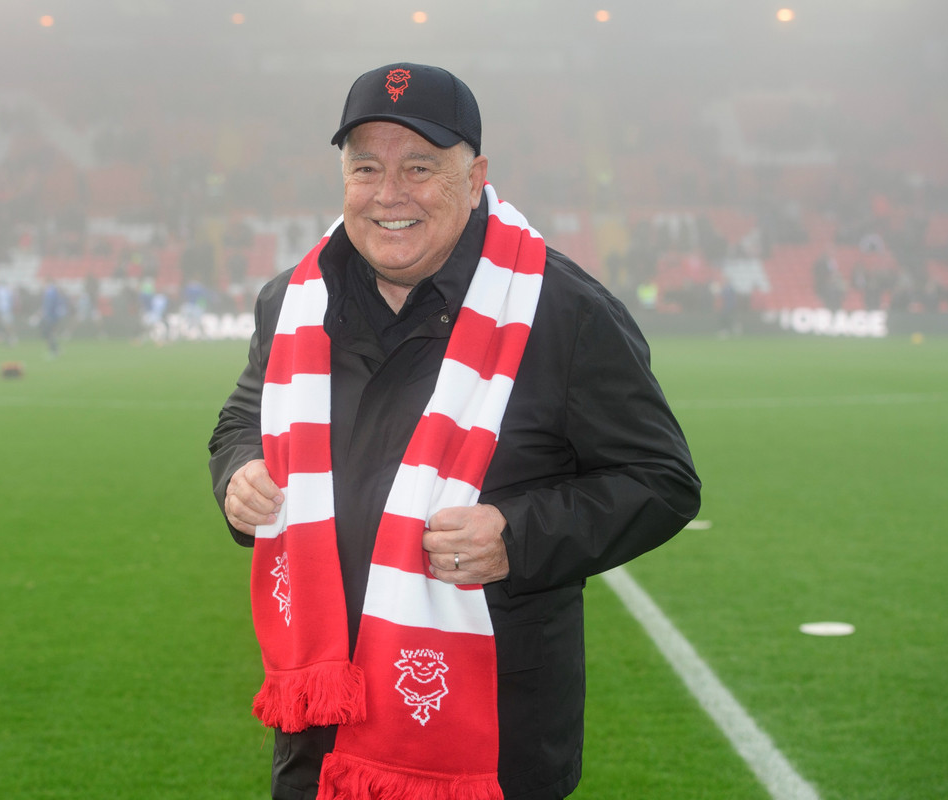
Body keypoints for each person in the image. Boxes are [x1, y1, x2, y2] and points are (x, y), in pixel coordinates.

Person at [208, 62, 701, 800]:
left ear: (474, 180)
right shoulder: (292, 301)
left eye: (420, 167)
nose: (389, 194)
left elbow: (662, 482)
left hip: (488, 741)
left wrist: (517, 536)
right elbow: (240, 420)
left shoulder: (563, 312)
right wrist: (240, 472)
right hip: (318, 727)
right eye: (366, 167)